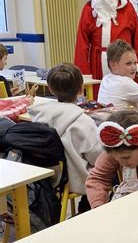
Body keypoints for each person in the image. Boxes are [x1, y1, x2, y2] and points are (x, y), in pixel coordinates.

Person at [29, 64, 102, 208]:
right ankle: (88, 209)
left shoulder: (39, 115)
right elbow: (97, 156)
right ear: (81, 89)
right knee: (113, 168)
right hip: (75, 179)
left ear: (50, 89)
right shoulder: (82, 121)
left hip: (49, 177)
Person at [74, 0, 138, 87]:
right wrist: (83, 71)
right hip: (98, 64)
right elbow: (81, 42)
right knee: (99, 97)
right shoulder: (89, 9)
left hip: (124, 62)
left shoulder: (127, 8)